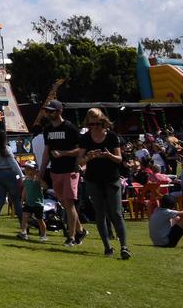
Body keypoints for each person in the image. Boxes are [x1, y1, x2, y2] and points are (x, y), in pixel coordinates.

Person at [79, 107, 129, 259]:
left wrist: (108, 155)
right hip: (93, 179)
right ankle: (107, 247)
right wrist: (89, 157)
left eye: (97, 124)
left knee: (116, 213)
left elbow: (119, 159)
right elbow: (79, 161)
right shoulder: (86, 138)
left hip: (111, 178)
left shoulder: (112, 136)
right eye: (91, 124)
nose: (94, 127)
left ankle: (124, 247)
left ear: (103, 122)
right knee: (99, 215)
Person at [43, 99, 86, 246]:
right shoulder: (47, 129)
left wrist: (63, 153)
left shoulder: (70, 128)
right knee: (65, 204)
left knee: (68, 203)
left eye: (51, 111)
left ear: (59, 111)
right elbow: (46, 152)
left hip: (70, 170)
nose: (48, 113)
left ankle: (72, 236)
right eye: (47, 111)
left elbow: (81, 149)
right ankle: (80, 230)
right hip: (55, 171)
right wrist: (41, 171)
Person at [0, 130, 23, 229]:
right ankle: (22, 222)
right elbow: (13, 163)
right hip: (8, 173)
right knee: (16, 200)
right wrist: (21, 175)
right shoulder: (6, 149)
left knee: (0, 200)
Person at [17, 162, 49, 242]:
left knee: (39, 219)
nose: (27, 170)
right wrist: (22, 199)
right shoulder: (26, 180)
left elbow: (45, 186)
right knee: (24, 216)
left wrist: (40, 180)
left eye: (30, 169)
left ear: (35, 170)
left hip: (38, 203)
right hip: (28, 203)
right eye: (26, 168)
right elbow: (25, 190)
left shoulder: (37, 180)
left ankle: (43, 235)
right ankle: (23, 232)